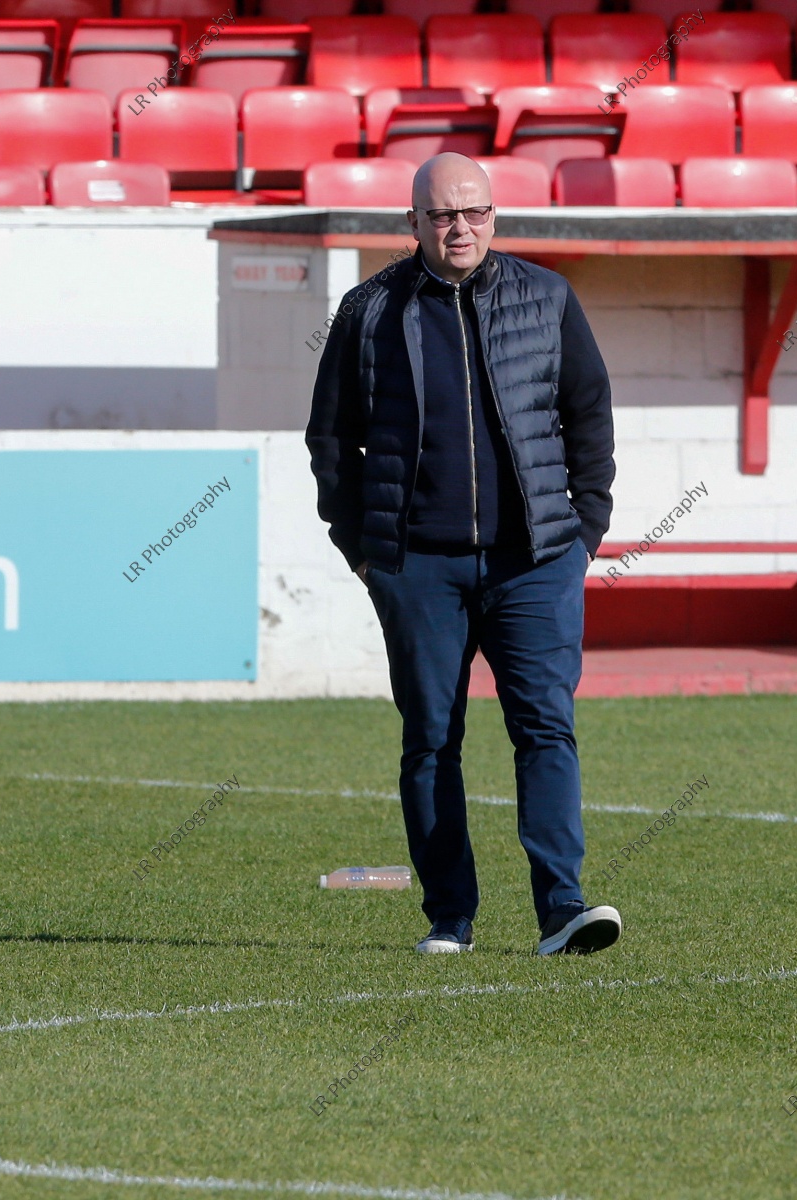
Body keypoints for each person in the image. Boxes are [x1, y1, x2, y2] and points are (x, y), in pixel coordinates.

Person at [307, 153, 621, 957]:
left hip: (537, 562)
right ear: (412, 222)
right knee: (431, 738)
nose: (460, 228)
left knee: (547, 728)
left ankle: (563, 910)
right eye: (443, 214)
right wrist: (365, 553)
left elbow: (589, 415)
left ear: (493, 217)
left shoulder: (547, 297)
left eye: (474, 213)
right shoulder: (367, 310)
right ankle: (450, 919)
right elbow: (332, 440)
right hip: (416, 568)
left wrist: (583, 531)